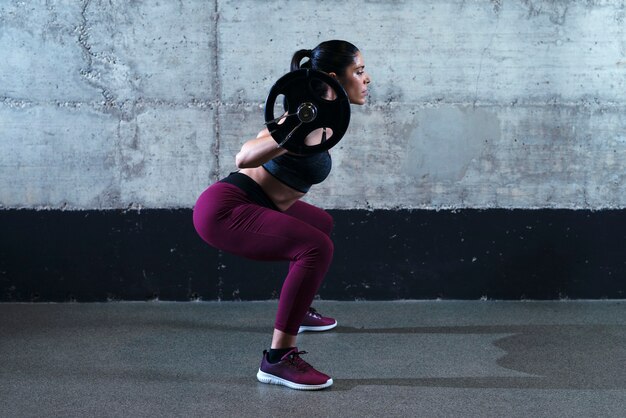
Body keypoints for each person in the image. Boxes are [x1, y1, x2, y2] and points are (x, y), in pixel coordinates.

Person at [193, 40, 371, 390]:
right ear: (336, 78)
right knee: (316, 247)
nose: (367, 80)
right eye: (360, 72)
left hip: (258, 203)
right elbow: (244, 158)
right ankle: (278, 359)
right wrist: (289, 135)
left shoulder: (325, 116)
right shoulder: (297, 117)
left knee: (321, 224)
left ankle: (298, 310)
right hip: (225, 208)